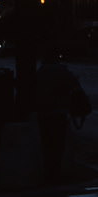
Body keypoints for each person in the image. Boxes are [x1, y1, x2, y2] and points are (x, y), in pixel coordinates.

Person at [35, 45, 90, 182]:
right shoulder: (63, 72)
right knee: (58, 144)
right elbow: (75, 88)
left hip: (44, 113)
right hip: (59, 112)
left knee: (47, 144)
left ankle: (49, 171)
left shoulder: (40, 72)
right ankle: (55, 171)